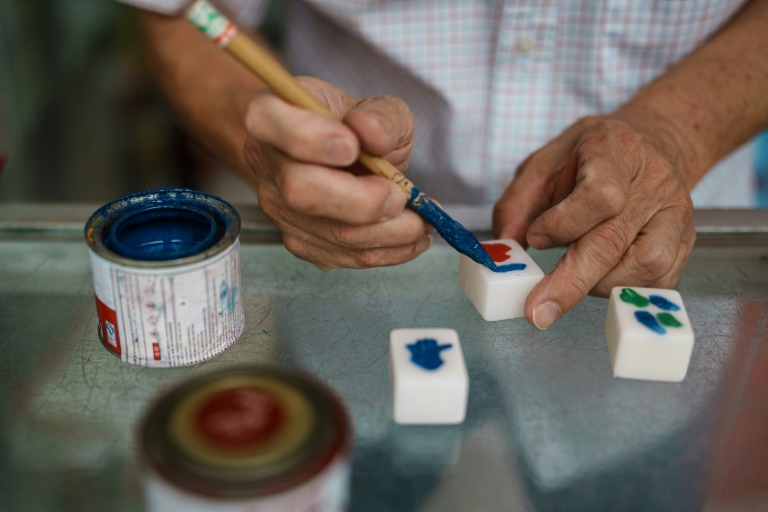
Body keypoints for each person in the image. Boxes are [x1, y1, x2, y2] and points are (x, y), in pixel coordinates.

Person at [120, 0, 768, 329]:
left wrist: (675, 133)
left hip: (654, 251)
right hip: (349, 283)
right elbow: (179, 17)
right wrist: (270, 139)